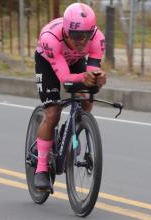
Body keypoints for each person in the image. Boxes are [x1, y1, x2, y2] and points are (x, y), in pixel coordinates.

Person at [33, 2, 106, 190]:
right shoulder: (51, 39)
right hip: (50, 61)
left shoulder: (97, 39)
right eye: (76, 35)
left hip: (74, 60)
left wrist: (97, 78)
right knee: (52, 113)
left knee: (87, 98)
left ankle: (74, 127)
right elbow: (65, 80)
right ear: (66, 31)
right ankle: (41, 169)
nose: (82, 41)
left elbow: (90, 75)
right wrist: (86, 78)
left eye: (86, 35)